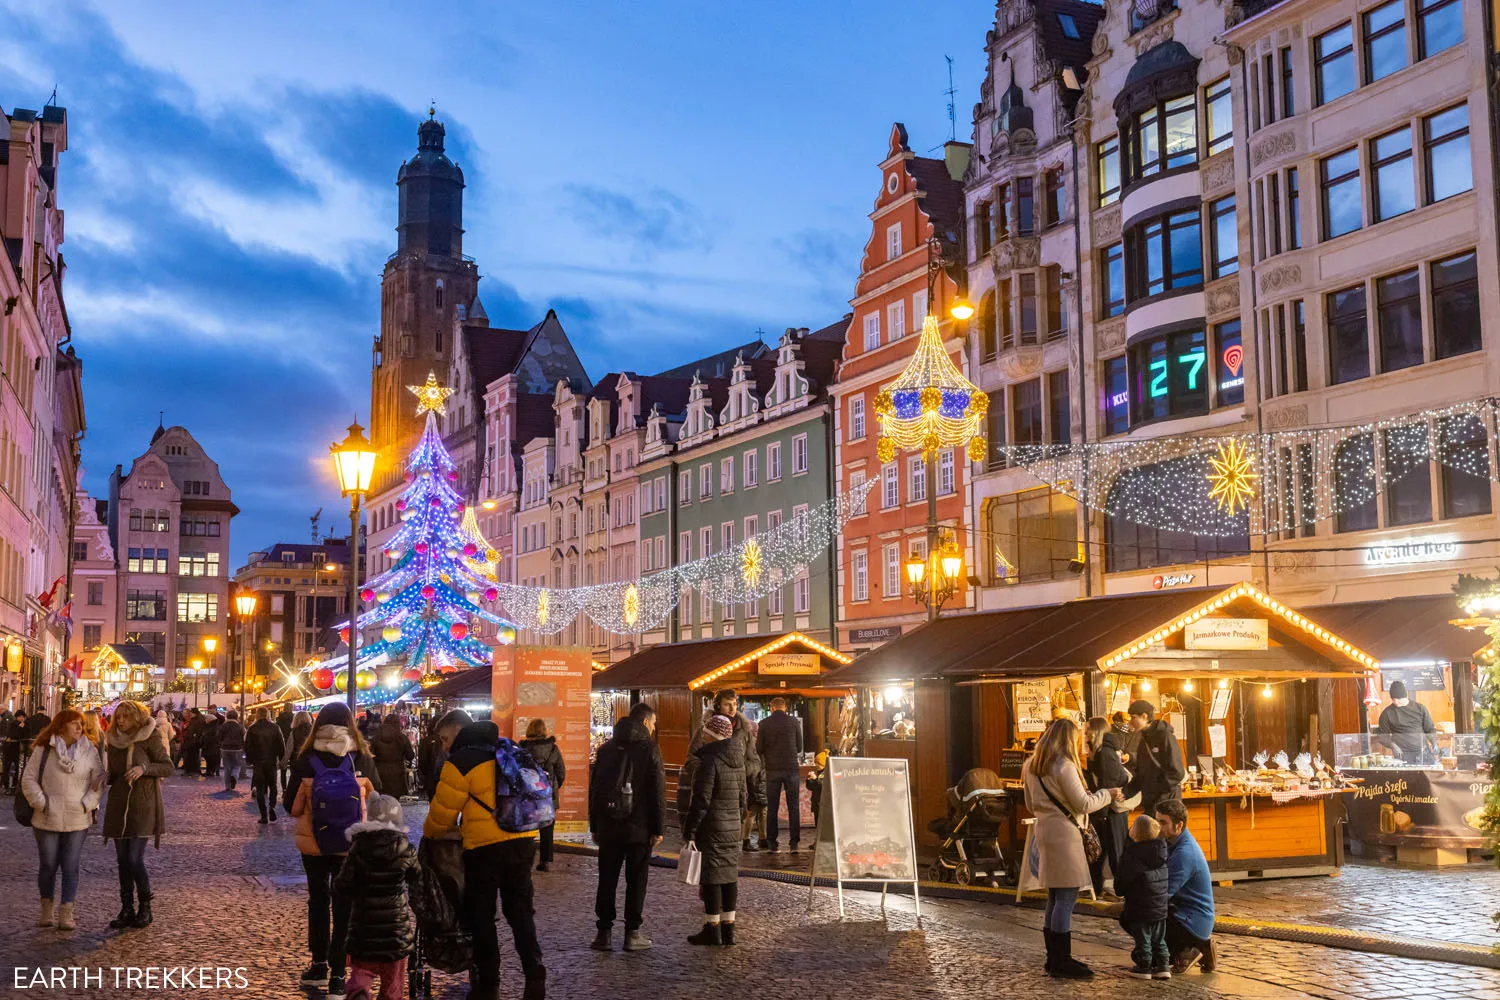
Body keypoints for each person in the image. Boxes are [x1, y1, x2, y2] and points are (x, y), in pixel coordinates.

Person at [424, 717, 546, 1000]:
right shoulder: (511, 749)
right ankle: (535, 975)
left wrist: (430, 835)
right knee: (520, 912)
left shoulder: (461, 762)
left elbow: (442, 815)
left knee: (482, 917)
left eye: (443, 739)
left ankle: (488, 984)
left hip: (484, 849)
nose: (443, 746)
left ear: (457, 733)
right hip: (522, 841)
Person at [290, 703, 379, 1000]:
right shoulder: (361, 757)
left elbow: (291, 805)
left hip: (314, 842)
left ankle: (318, 965)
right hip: (350, 843)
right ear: (350, 723)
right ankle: (339, 975)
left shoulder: (306, 758)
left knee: (318, 899)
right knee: (345, 906)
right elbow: (378, 796)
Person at [1023, 716, 1121, 980]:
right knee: (1065, 898)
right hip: (1065, 836)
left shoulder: (1030, 766)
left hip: (1044, 831)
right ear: (1067, 739)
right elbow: (1084, 804)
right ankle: (1062, 960)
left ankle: (1052, 958)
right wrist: (1108, 794)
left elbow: (1030, 804)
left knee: (1054, 897)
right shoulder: (1063, 766)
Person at [589, 702, 665, 953]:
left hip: (609, 825)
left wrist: (595, 825)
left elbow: (595, 791)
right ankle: (632, 933)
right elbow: (657, 792)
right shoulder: (650, 750)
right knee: (637, 880)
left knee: (607, 878)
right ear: (645, 722)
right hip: (639, 827)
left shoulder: (606, 750)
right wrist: (658, 828)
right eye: (653, 723)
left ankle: (604, 933)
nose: (654, 728)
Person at [22, 708, 106, 931]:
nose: (80, 727)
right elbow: (29, 779)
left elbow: (98, 781)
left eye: (81, 723)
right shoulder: (44, 749)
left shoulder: (90, 750)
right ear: (61, 726)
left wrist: (86, 804)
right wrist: (42, 803)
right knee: (48, 864)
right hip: (47, 815)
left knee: (70, 865)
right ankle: (46, 908)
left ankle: (66, 911)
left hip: (77, 817)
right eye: (74, 723)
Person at [336, 793, 420, 1000]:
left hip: (364, 927)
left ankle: (359, 991)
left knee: (362, 970)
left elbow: (342, 885)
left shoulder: (358, 849)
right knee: (393, 982)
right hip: (395, 929)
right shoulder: (406, 850)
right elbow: (418, 878)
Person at [101, 700, 172, 930]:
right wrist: (105, 777)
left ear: (136, 717)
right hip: (119, 804)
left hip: (142, 804)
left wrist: (145, 769)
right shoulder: (113, 741)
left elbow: (167, 766)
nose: (120, 721)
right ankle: (126, 908)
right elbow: (115, 771)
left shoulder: (149, 736)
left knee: (134, 858)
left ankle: (145, 907)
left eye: (125, 716)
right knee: (122, 860)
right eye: (118, 717)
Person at [682, 713, 747, 948]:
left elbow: (702, 800)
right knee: (729, 877)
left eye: (706, 734)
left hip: (712, 827)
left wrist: (690, 830)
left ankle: (713, 929)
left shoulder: (709, 761)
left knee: (711, 879)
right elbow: (743, 797)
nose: (704, 739)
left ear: (712, 735)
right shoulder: (737, 759)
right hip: (732, 826)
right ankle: (729, 929)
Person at [1155, 799, 1216, 975]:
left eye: (1163, 822)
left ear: (1179, 825)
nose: (1158, 827)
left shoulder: (1184, 853)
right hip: (1184, 913)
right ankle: (1197, 946)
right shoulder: (1171, 842)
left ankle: (1194, 948)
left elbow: (1162, 894)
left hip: (1190, 921)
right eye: (1156, 821)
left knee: (1134, 917)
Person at [1115, 814, 1171, 980]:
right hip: (1160, 907)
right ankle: (1163, 965)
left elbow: (1121, 883)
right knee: (1159, 938)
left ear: (1135, 834)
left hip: (1139, 907)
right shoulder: (1161, 854)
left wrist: (1120, 890)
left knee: (1143, 939)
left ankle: (1144, 966)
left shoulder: (1131, 855)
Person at [1085, 716, 1131, 899]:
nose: (1085, 732)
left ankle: (1121, 891)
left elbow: (1110, 780)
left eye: (1087, 729)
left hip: (1110, 810)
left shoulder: (1104, 753)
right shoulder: (1101, 751)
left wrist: (1102, 812)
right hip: (1105, 808)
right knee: (1103, 849)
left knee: (1113, 850)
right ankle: (1098, 888)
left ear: (1096, 731)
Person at [756, 697, 803, 852]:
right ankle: (794, 841)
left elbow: (759, 748)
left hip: (772, 769)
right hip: (791, 769)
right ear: (785, 707)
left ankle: (772, 842)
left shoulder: (763, 724)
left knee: (772, 807)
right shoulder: (794, 722)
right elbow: (799, 747)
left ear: (771, 707)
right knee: (793, 806)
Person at [1122, 701, 1185, 814]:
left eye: (1133, 717)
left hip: (1167, 804)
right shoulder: (1144, 739)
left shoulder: (1165, 736)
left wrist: (1157, 790)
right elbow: (1141, 774)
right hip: (1151, 803)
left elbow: (1177, 772)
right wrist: (1125, 793)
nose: (1130, 722)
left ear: (1144, 716)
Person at [520, 718, 565, 873]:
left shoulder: (522, 749)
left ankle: (524, 859)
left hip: (527, 795)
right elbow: (561, 772)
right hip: (547, 796)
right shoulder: (553, 749)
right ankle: (545, 860)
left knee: (526, 828)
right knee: (547, 829)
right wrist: (552, 787)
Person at [1375, 680, 1438, 762]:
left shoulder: (1420, 708)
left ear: (1405, 696)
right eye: (1393, 699)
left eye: (1399, 698)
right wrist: (1393, 745)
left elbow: (1429, 729)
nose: (1396, 702)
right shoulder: (1387, 713)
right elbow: (1382, 736)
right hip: (1402, 754)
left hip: (1423, 752)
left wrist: (1434, 742)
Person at [245, 708, 288, 823]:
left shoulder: (252, 728)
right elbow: (281, 745)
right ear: (268, 714)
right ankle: (272, 806)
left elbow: (247, 746)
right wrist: (280, 757)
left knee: (260, 789)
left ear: (257, 715)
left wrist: (249, 760)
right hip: (271, 761)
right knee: (273, 786)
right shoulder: (275, 728)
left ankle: (263, 815)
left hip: (258, 762)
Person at [371, 713, 416, 800]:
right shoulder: (402, 738)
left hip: (380, 773)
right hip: (397, 774)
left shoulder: (376, 738)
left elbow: (371, 755)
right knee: (394, 802)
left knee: (380, 801)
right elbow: (410, 755)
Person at [218, 710, 246, 792]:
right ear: (236, 717)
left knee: (227, 767)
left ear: (227, 716)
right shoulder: (240, 727)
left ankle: (227, 787)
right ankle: (234, 776)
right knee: (237, 765)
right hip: (237, 749)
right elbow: (244, 738)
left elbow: (219, 737)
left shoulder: (223, 726)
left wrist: (221, 744)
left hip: (225, 748)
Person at [806, 749, 829, 833]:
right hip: (816, 803)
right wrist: (809, 780)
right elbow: (811, 787)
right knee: (817, 824)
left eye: (818, 763)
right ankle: (816, 841)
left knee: (823, 824)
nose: (816, 765)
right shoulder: (817, 772)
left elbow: (824, 785)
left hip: (823, 803)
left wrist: (816, 779)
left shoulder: (827, 773)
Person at [276, 705, 296, 806]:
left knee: (283, 769)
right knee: (293, 769)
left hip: (281, 744)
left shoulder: (279, 718)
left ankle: (284, 789)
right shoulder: (294, 718)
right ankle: (292, 789)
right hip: (292, 743)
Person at [180, 708, 205, 776]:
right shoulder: (194, 719)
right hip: (190, 741)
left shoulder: (198, 720)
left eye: (191, 712)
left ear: (194, 713)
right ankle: (189, 771)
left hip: (193, 741)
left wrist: (195, 738)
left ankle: (192, 771)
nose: (190, 714)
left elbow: (198, 731)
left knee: (193, 756)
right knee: (190, 756)